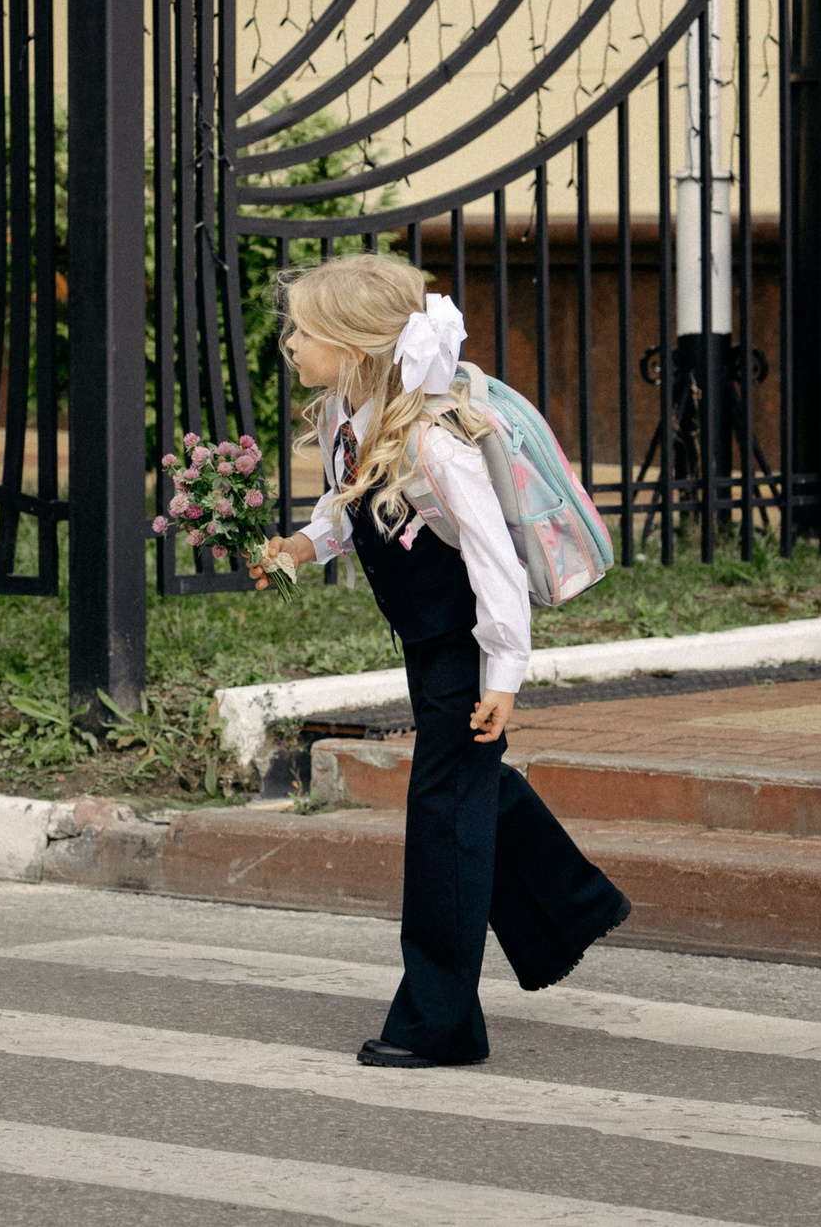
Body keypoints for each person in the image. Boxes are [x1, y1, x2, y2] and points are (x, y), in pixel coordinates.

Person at [252, 252, 632, 1069]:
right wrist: (299, 546)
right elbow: (345, 509)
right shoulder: (345, 419)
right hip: (426, 644)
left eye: (305, 330)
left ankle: (440, 1020)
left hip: (464, 648)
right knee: (472, 789)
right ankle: (570, 905)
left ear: (355, 347)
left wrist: (503, 677)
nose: (291, 343)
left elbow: (494, 562)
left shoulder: (433, 437)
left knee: (444, 819)